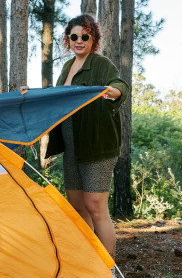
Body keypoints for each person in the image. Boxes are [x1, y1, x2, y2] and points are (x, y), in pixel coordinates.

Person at [44, 14, 129, 258]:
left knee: (95, 206)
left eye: (85, 36)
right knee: (77, 206)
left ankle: (109, 270)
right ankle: (89, 266)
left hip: (97, 145)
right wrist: (33, 95)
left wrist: (112, 92)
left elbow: (119, 86)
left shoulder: (101, 64)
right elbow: (58, 98)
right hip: (72, 147)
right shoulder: (67, 67)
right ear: (68, 40)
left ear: (93, 39)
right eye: (74, 37)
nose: (79, 41)